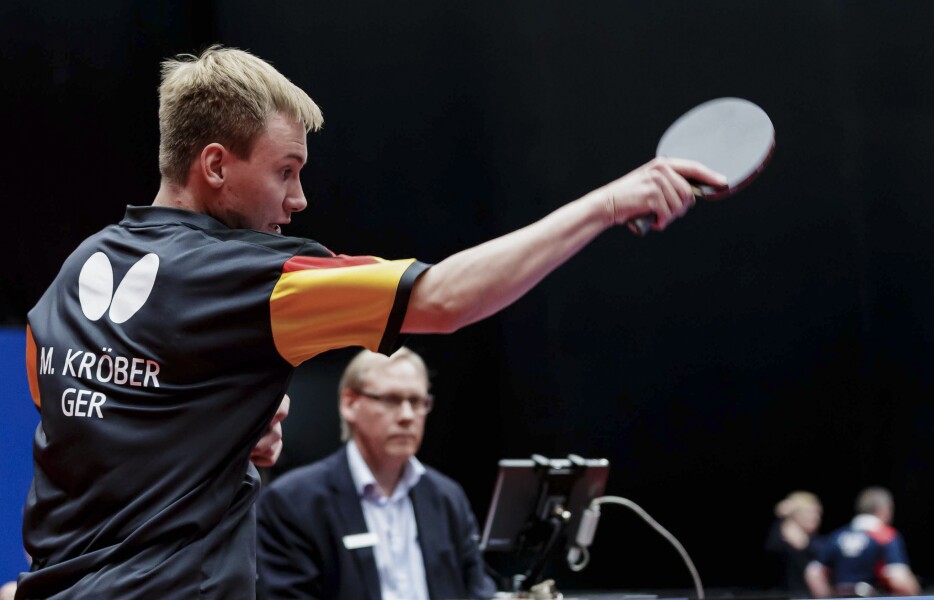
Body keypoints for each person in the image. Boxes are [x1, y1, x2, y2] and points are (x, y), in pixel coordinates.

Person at [19, 44, 724, 599]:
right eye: (285, 170)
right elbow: (445, 299)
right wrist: (606, 203)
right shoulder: (257, 275)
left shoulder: (77, 269)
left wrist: (220, 433)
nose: (298, 199)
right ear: (214, 165)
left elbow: (82, 421)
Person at [255, 347, 497, 600]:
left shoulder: (447, 497)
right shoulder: (292, 502)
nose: (407, 416)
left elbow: (478, 591)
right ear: (350, 403)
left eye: (416, 402)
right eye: (391, 400)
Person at [804, 486, 921, 598]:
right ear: (884, 510)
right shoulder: (885, 536)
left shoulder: (836, 536)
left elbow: (813, 574)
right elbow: (898, 578)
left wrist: (826, 597)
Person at [765, 490, 824, 598]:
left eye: (818, 513)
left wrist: (805, 544)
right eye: (809, 512)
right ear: (794, 514)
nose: (816, 517)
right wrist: (782, 519)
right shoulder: (779, 540)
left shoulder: (817, 542)